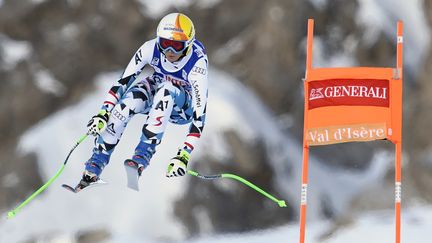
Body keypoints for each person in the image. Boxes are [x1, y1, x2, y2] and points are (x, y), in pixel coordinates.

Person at [77, 13, 208, 189]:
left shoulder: (197, 64)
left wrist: (183, 155)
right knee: (128, 102)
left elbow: (200, 116)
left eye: (176, 46)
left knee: (167, 91)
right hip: (159, 84)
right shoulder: (149, 48)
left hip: (183, 107)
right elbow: (123, 82)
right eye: (165, 44)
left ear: (188, 45)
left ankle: (141, 157)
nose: (170, 52)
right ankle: (95, 164)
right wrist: (103, 112)